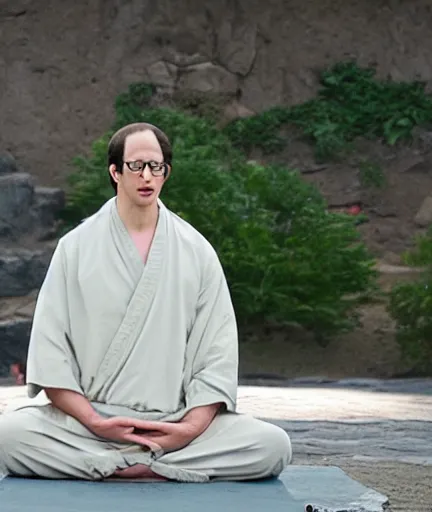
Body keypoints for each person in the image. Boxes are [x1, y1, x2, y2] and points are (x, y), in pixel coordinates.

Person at [0, 122, 292, 482]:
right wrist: (95, 421)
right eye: (136, 165)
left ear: (166, 173)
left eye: (157, 167)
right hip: (90, 426)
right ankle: (142, 467)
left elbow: (216, 353)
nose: (147, 176)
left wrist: (189, 429)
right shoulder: (75, 248)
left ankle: (126, 466)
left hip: (175, 425)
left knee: (272, 446)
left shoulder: (196, 251)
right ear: (115, 171)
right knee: (6, 437)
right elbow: (50, 350)